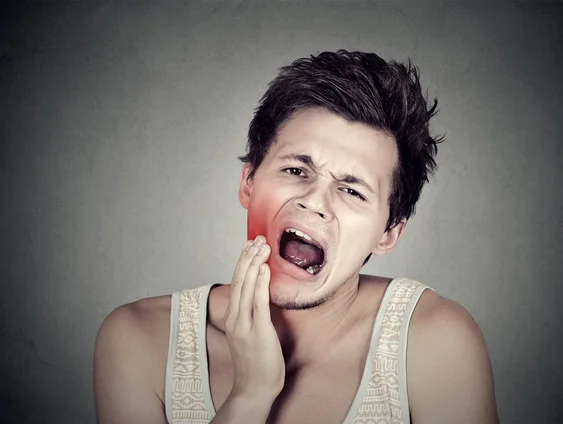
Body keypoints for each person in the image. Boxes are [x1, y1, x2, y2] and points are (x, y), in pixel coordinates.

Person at [94, 50, 499, 424]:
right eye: (295, 171)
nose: (314, 201)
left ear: (388, 234)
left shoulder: (435, 344)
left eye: (352, 190)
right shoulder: (140, 342)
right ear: (249, 183)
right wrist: (249, 397)